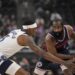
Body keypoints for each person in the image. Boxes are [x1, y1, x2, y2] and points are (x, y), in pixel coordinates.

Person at [0, 19, 75, 75]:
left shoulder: (17, 31)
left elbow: (38, 48)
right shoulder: (26, 38)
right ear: (29, 29)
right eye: (35, 29)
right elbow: (43, 54)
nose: (36, 31)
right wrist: (65, 63)